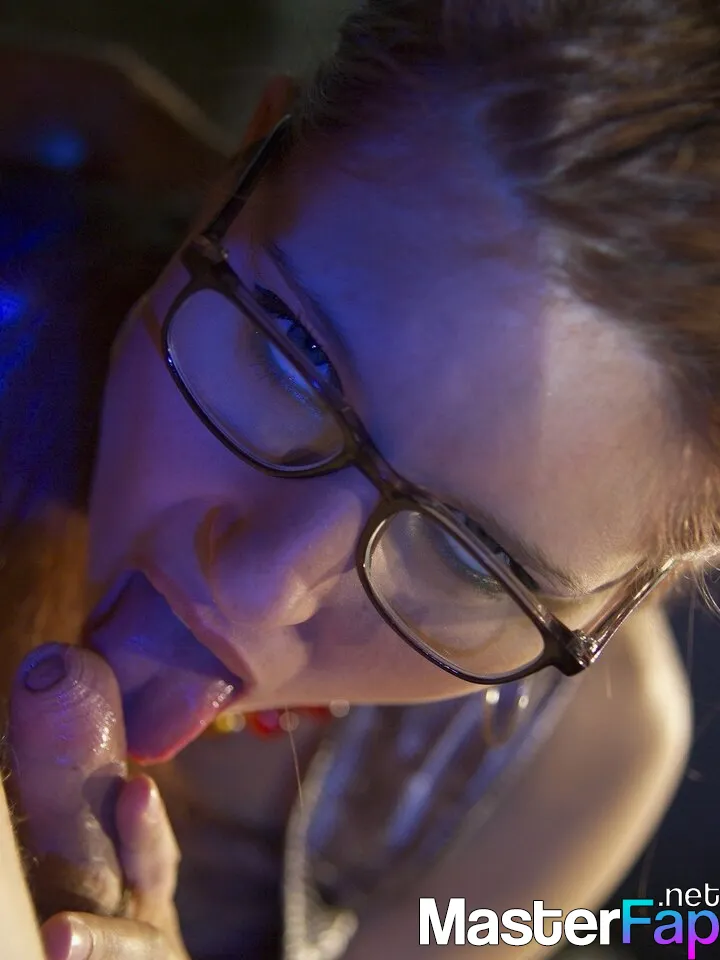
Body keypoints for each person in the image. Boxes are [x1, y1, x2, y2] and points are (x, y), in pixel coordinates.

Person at [7, 0, 720, 956]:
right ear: (240, 168)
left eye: (472, 560)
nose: (258, 583)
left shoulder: (580, 760)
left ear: (626, 604)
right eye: (289, 356)